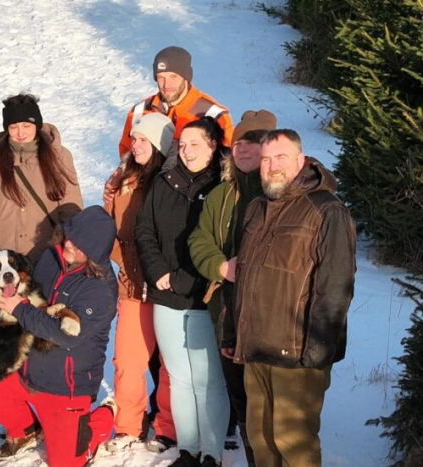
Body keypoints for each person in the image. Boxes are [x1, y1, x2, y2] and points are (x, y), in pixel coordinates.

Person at [224, 129, 356, 467]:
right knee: (260, 438)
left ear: (300, 160)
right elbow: (245, 276)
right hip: (257, 348)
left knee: (294, 444)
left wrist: (316, 353)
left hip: (297, 353)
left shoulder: (326, 210)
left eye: (280, 157)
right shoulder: (256, 208)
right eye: (266, 159)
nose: (272, 166)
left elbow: (336, 285)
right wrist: (234, 333)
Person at [0, 206, 118, 467]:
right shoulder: (52, 256)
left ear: (95, 254)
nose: (71, 245)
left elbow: (64, 335)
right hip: (27, 373)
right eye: (71, 236)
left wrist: (18, 308)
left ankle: (102, 418)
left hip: (65, 387)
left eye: (81, 246)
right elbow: (23, 292)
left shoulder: (101, 289)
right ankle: (26, 430)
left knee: (65, 463)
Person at [135, 117, 229, 467]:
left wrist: (187, 280)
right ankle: (188, 449)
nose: (187, 151)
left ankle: (212, 453)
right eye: (183, 144)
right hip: (166, 295)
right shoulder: (165, 181)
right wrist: (158, 271)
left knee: (208, 380)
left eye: (195, 144)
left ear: (213, 146)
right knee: (178, 377)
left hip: (205, 296)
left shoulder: (223, 187)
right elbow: (144, 230)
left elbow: (220, 244)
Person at [188, 109, 277, 466]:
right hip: (227, 311)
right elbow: (199, 240)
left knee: (270, 401)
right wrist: (220, 266)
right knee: (240, 398)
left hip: (271, 316)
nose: (243, 148)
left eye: (253, 142)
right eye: (239, 141)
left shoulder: (282, 196)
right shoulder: (221, 194)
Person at [102, 113, 177, 453]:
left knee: (169, 364)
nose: (135, 144)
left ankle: (168, 428)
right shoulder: (121, 179)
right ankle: (129, 425)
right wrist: (121, 257)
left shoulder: (173, 180)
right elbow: (108, 228)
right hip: (131, 283)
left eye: (144, 139)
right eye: (134, 138)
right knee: (127, 360)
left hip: (165, 286)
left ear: (160, 144)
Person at [0, 93, 83, 268]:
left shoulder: (59, 156)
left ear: (36, 125)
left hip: (48, 256)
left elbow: (70, 205)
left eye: (26, 125)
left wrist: (73, 250)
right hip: (4, 258)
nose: (20, 132)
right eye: (13, 126)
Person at [117, 46, 234, 157]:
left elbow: (228, 162)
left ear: (186, 77)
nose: (167, 85)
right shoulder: (140, 111)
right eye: (161, 77)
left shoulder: (213, 114)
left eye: (174, 77)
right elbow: (126, 156)